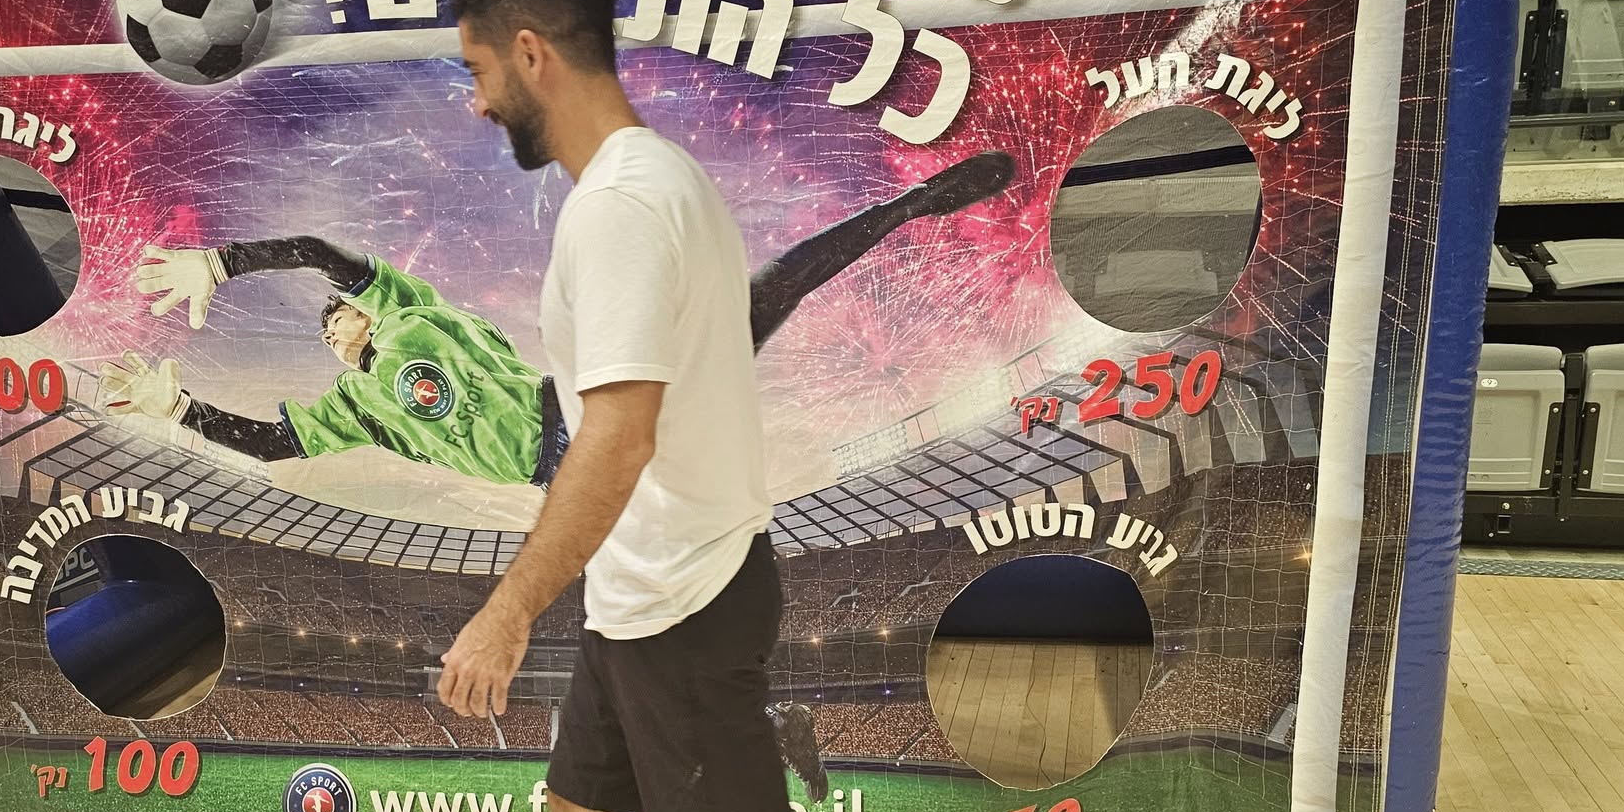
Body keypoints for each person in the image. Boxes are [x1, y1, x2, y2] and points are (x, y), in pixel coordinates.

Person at [428, 0, 979, 812]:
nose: (474, 101)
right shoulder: (656, 178)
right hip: (645, 588)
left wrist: (507, 608)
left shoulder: (620, 208)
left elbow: (615, 437)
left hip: (679, 594)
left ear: (530, 54)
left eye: (477, 71)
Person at [104, 153, 1014, 491]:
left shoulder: (406, 311)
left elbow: (312, 248)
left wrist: (221, 263)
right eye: (325, 333)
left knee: (761, 301)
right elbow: (273, 448)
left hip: (578, 404)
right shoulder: (356, 410)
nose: (332, 327)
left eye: (336, 314)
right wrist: (174, 409)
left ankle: (911, 205)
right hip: (572, 478)